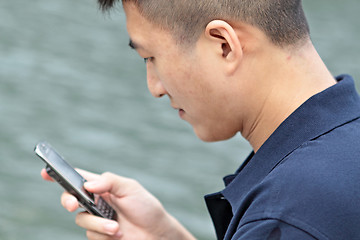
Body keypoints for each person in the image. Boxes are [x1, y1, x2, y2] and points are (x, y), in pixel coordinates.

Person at [42, 0, 360, 239]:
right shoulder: (343, 148)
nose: (154, 87)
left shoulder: (283, 217)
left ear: (223, 45)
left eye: (150, 57)